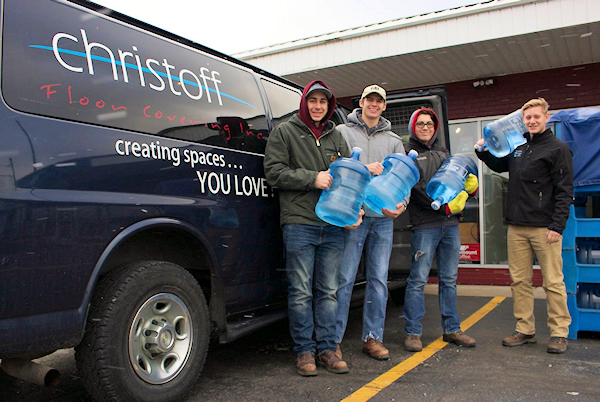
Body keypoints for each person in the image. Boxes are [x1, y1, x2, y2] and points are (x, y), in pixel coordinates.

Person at [264, 80, 363, 376]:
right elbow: (274, 172)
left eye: (323, 101)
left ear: (329, 105)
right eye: (312, 100)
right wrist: (313, 179)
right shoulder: (285, 132)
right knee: (300, 293)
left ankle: (328, 349)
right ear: (304, 102)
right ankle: (305, 351)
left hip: (333, 226)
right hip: (300, 223)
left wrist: (354, 210)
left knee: (329, 291)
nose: (317, 106)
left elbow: (349, 180)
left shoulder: (337, 137)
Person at [475, 98, 573, 354]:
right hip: (517, 227)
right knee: (520, 281)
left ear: (546, 118)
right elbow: (500, 165)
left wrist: (557, 225)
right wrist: (482, 151)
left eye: (536, 117)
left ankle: (559, 332)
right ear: (523, 120)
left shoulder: (557, 149)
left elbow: (565, 191)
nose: (531, 121)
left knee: (553, 282)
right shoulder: (519, 147)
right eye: (527, 118)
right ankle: (525, 329)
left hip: (545, 228)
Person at [334, 84, 407, 361]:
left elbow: (404, 179)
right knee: (344, 279)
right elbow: (335, 168)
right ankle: (334, 341)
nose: (374, 104)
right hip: (353, 217)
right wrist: (364, 169)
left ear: (384, 106)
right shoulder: (342, 132)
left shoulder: (393, 141)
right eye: (369, 100)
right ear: (361, 103)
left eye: (379, 101)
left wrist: (401, 205)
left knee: (378, 280)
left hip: (382, 222)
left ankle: (372, 338)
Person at [403, 107, 478, 352]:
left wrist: (468, 189)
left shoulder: (444, 153)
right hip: (425, 225)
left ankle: (452, 329)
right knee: (417, 280)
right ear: (414, 127)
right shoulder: (409, 154)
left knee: (449, 279)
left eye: (430, 124)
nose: (426, 127)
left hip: (450, 225)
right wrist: (442, 208)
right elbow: (414, 188)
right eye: (421, 123)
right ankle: (413, 332)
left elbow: (454, 182)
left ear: (435, 128)